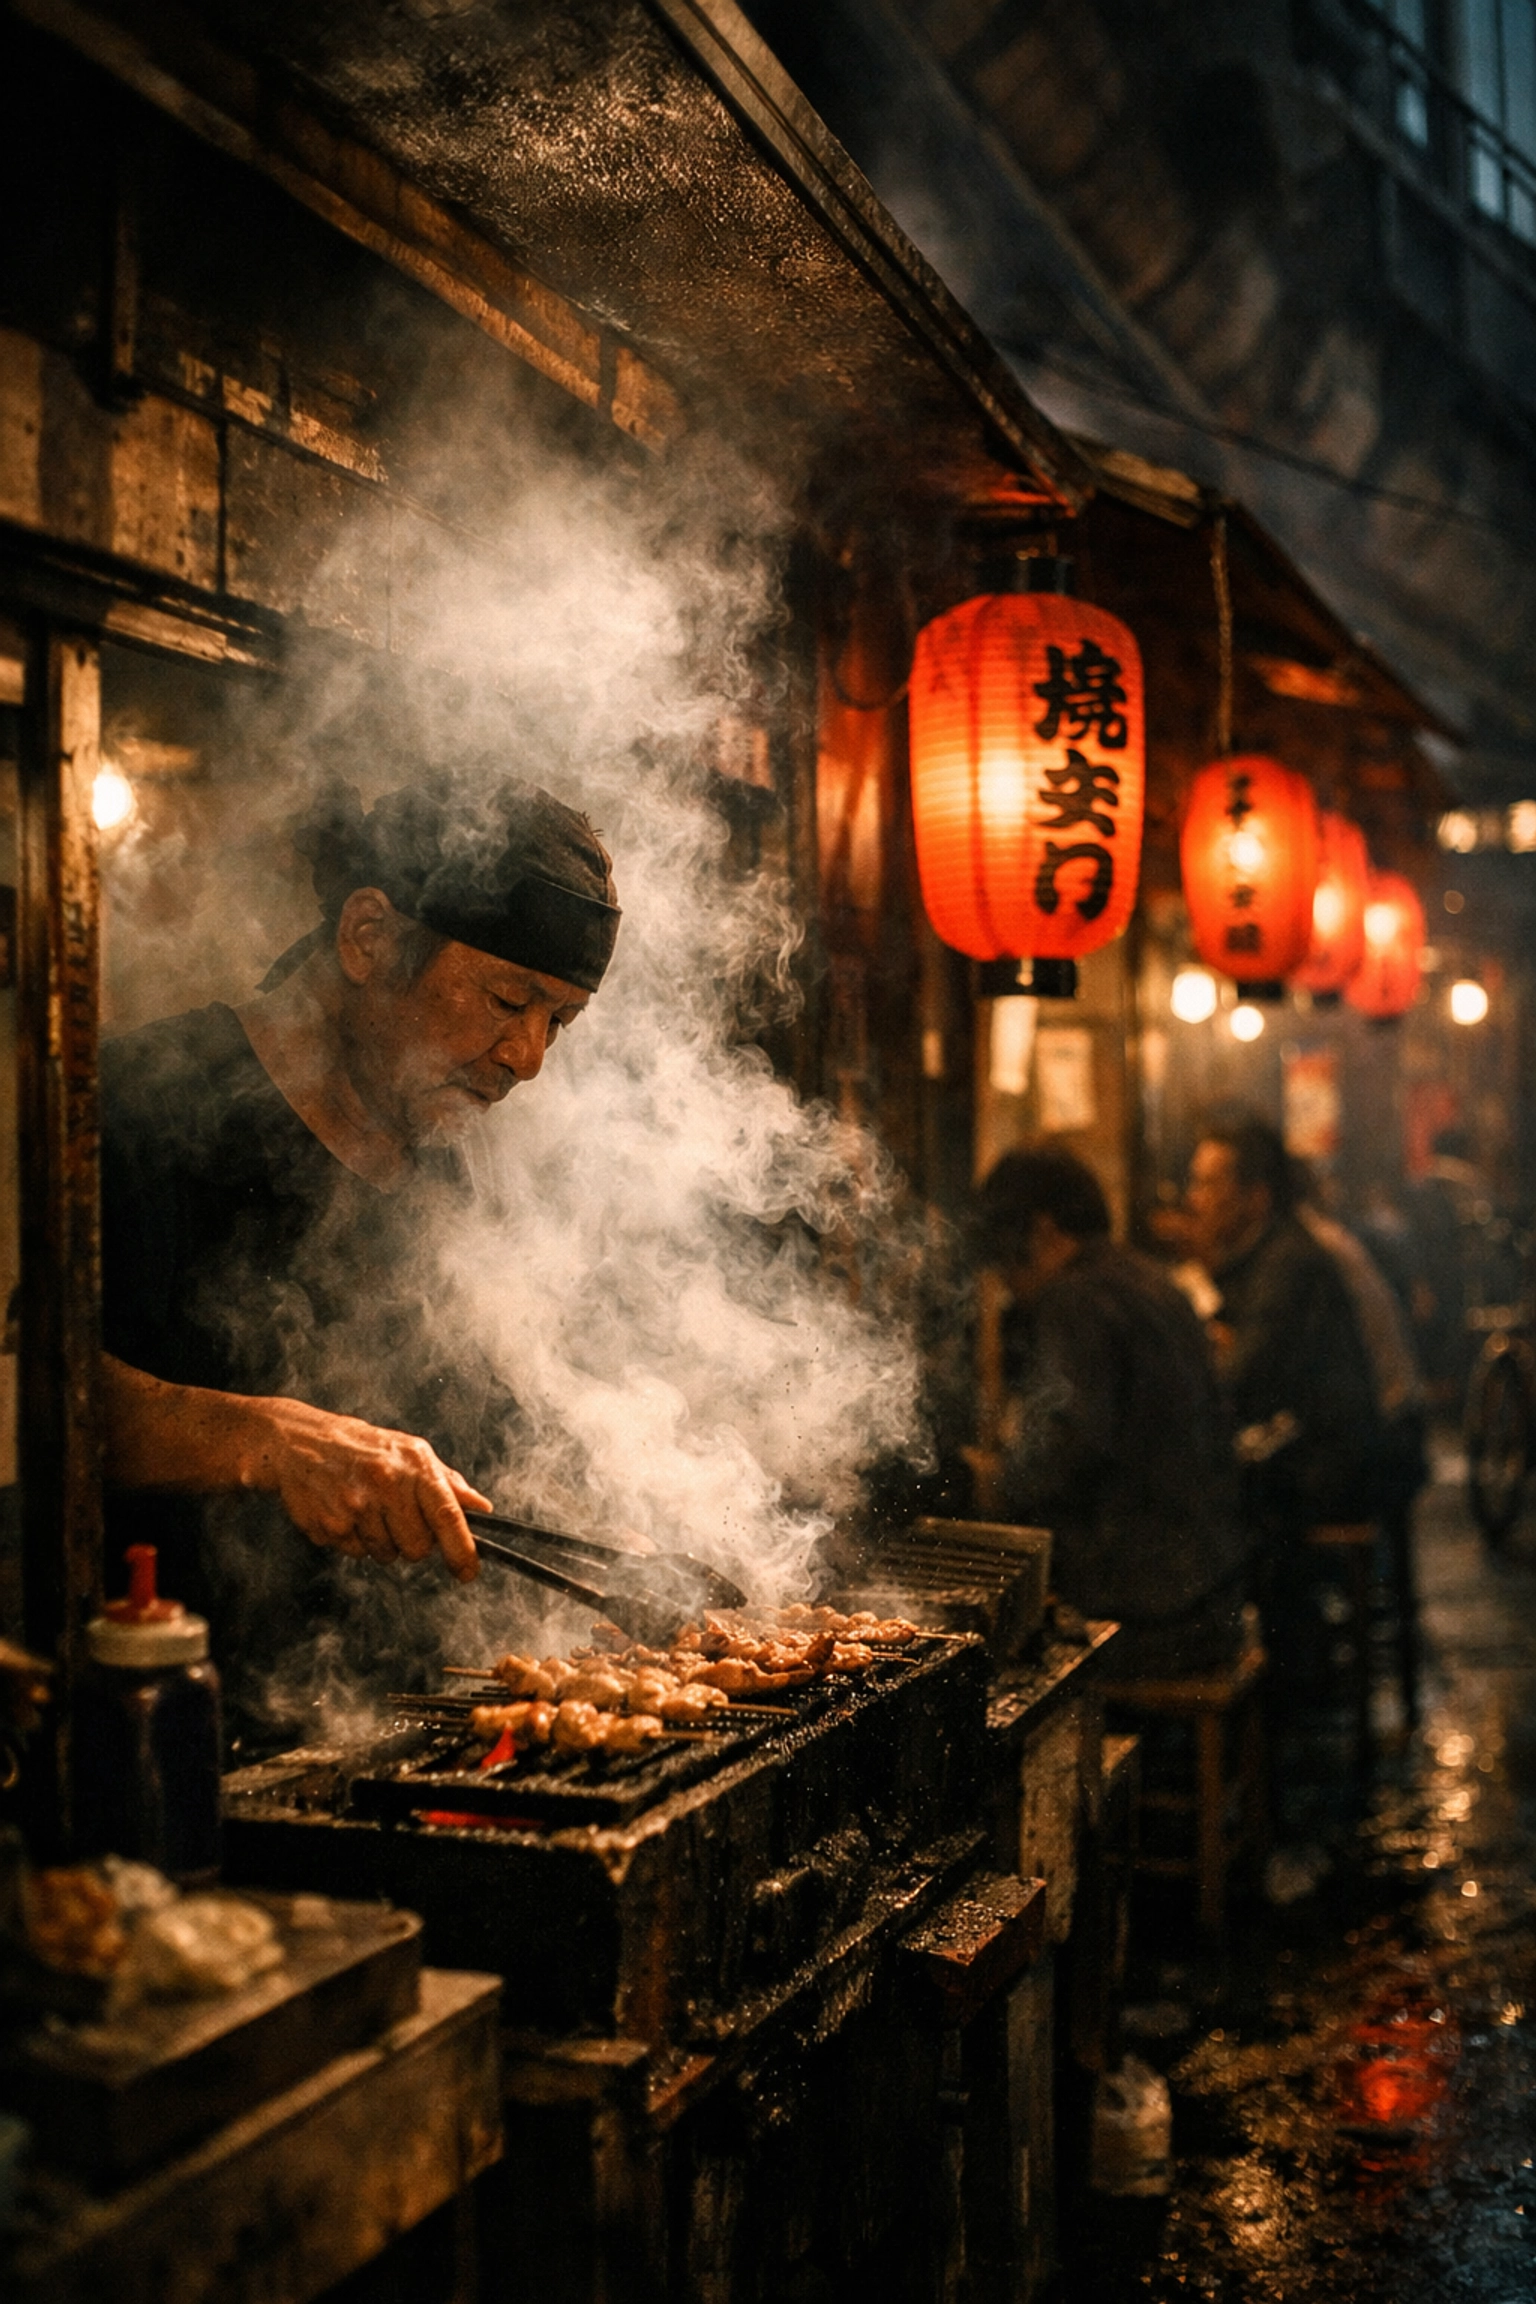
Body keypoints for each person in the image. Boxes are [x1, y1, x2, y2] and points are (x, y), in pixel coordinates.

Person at [100, 771, 621, 1740]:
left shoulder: (461, 1171)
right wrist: (269, 1442)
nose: (530, 1057)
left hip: (422, 1751)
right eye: (510, 999)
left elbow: (501, 1437)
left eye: (560, 1021)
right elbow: (40, 1406)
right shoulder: (143, 1103)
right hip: (185, 1753)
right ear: (368, 937)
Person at [976, 1148, 1249, 1677]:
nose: (1006, 1282)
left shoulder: (1072, 1299)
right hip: (1213, 1595)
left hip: (1152, 1618)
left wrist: (989, 1483)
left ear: (1041, 1230)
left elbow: (1065, 1448)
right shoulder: (1151, 1279)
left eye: (1004, 1258)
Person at [1183, 1120, 1380, 1545]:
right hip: (1315, 1445)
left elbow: (1241, 1377)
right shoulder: (1270, 1252)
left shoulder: (1288, 1263)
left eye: (1209, 1185)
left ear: (1255, 1198)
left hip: (1332, 1461)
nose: (1193, 1200)